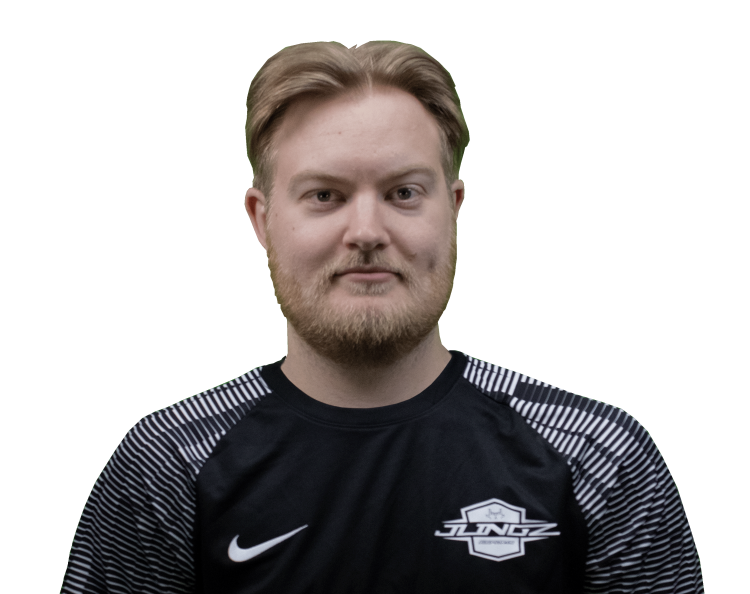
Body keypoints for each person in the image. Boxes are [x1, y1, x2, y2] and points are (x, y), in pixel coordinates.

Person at [61, 40, 703, 593]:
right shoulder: (167, 462)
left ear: (453, 209)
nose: (366, 231)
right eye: (325, 195)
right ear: (262, 219)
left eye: (403, 192)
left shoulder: (599, 454)